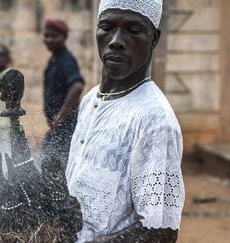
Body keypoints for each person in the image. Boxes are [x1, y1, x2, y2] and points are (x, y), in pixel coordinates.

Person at [66, 0, 185, 242]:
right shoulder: (91, 100)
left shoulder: (154, 120)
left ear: (154, 38)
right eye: (107, 27)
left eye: (132, 30)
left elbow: (160, 232)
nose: (115, 41)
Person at [41, 18, 85, 169]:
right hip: (57, 128)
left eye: (53, 36)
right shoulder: (54, 59)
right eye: (46, 36)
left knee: (58, 168)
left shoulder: (66, 60)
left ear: (64, 37)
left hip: (66, 128)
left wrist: (60, 117)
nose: (49, 39)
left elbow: (77, 86)